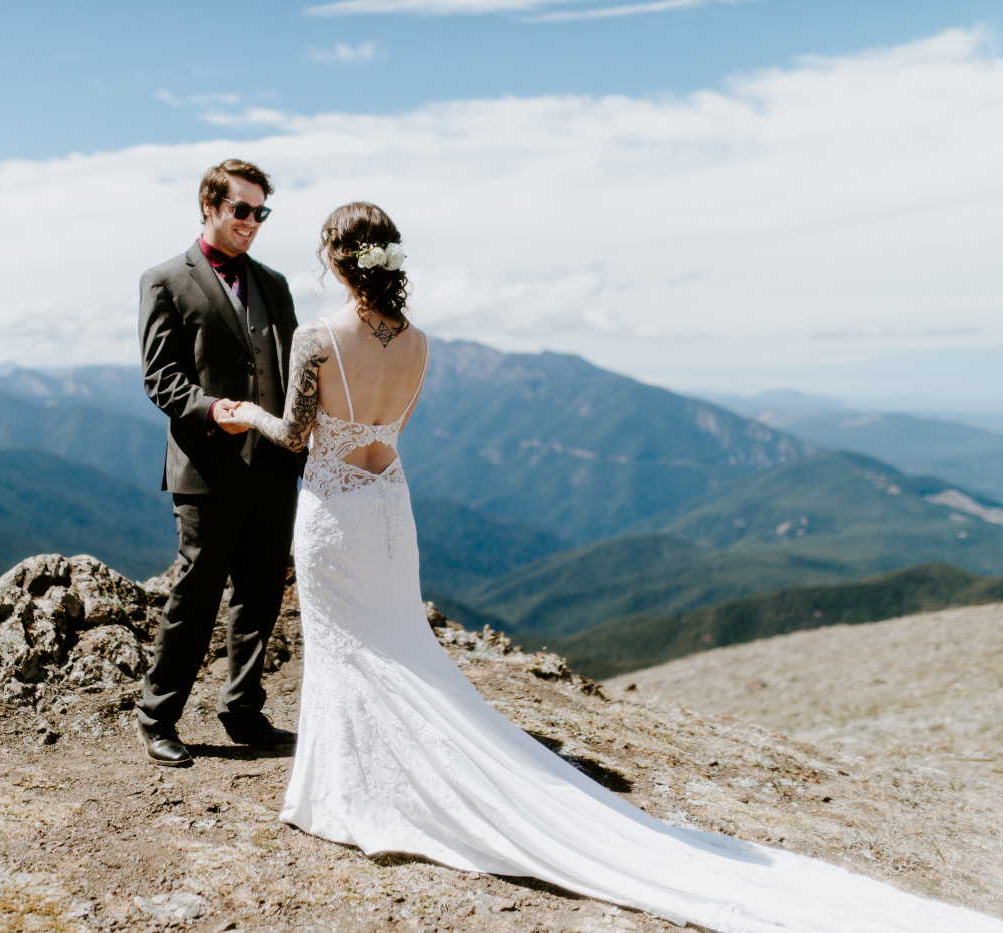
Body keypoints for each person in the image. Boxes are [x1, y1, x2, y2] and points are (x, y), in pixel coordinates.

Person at [218, 201, 1003, 932]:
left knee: (352, 648)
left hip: (335, 515)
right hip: (391, 507)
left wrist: (240, 411)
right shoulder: (421, 344)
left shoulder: (318, 336)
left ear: (336, 258)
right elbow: (393, 427)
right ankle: (360, 780)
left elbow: (293, 437)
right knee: (397, 644)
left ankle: (343, 789)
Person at [135, 159, 304, 766]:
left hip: (275, 464)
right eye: (242, 209)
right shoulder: (164, 280)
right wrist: (212, 411)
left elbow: (293, 374)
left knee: (260, 596)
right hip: (206, 467)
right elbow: (161, 380)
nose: (252, 222)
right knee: (196, 594)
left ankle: (243, 711)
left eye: (261, 212)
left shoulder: (275, 284)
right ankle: (157, 716)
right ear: (209, 205)